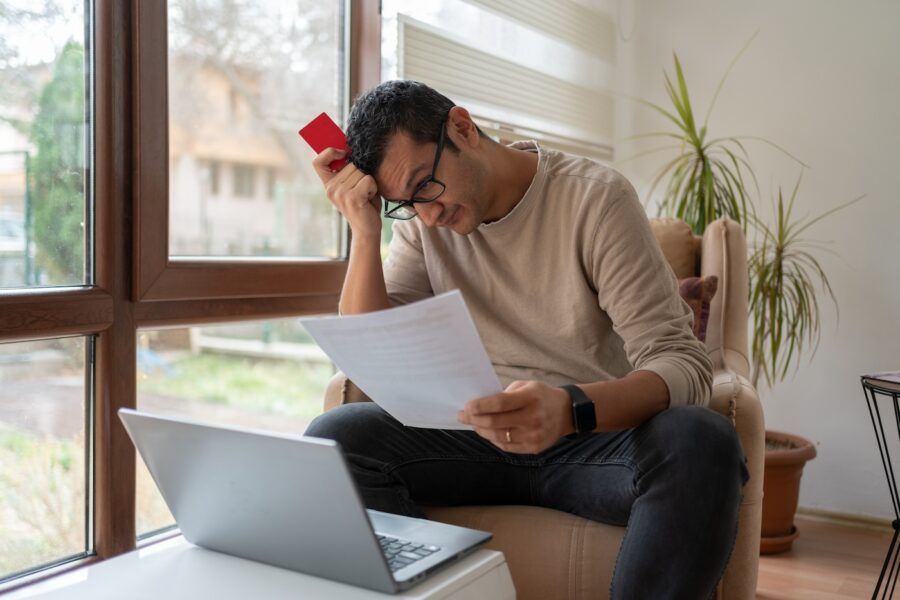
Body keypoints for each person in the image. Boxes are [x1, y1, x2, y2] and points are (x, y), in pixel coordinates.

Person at [305, 80, 749, 599]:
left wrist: (569, 408)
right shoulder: (422, 222)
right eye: (404, 204)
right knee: (335, 439)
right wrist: (365, 228)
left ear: (463, 128)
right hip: (473, 439)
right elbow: (373, 349)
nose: (429, 215)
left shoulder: (594, 198)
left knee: (703, 442)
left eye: (426, 186)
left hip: (594, 443)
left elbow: (683, 363)